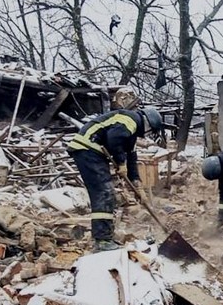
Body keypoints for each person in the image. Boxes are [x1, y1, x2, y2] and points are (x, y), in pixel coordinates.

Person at [67, 106, 163, 250]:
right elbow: (114, 139)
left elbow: (132, 159)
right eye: (150, 131)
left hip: (92, 152)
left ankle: (105, 238)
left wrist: (138, 185)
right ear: (148, 124)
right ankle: (103, 241)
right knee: (104, 192)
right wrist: (120, 162)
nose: (148, 135)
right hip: (87, 148)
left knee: (106, 193)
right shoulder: (131, 120)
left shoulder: (131, 133)